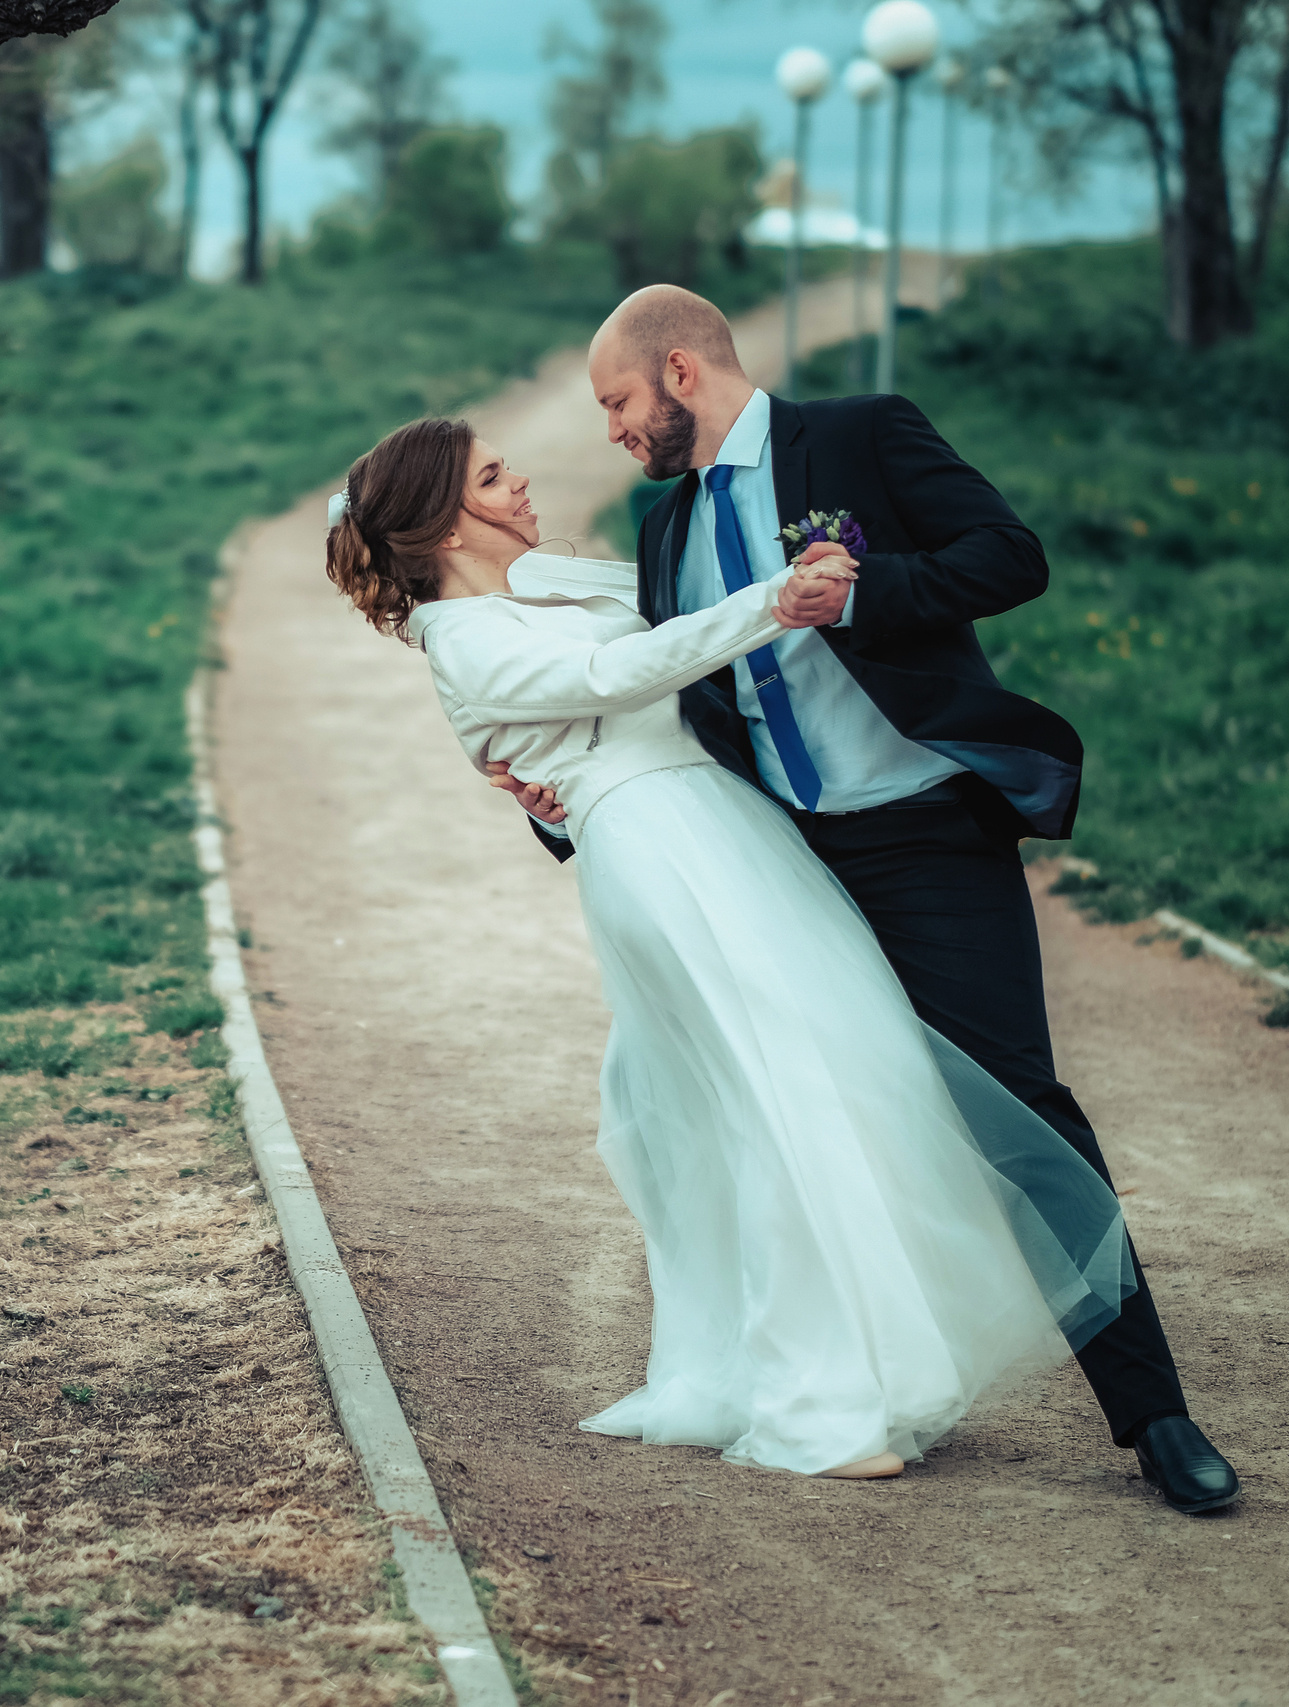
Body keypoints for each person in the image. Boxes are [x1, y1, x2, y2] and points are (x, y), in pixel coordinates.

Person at [475, 283, 1234, 1512]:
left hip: (925, 838)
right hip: (777, 858)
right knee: (802, 1117)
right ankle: (865, 1385)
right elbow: (659, 700)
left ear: (680, 372)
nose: (611, 431)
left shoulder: (860, 434)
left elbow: (1009, 558)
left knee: (1021, 1105)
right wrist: (551, 799)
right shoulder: (663, 529)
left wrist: (865, 592)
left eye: (618, 402)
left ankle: (1154, 1417)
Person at [323, 414, 1146, 1481]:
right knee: (769, 1095)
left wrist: (803, 579)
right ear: (444, 522)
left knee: (827, 1079)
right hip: (664, 857)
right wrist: (772, 604)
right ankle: (817, 1401)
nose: (519, 479)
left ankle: (865, 1368)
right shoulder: (463, 637)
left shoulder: (547, 584)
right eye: (491, 475)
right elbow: (622, 672)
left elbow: (671, 615)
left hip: (723, 826)